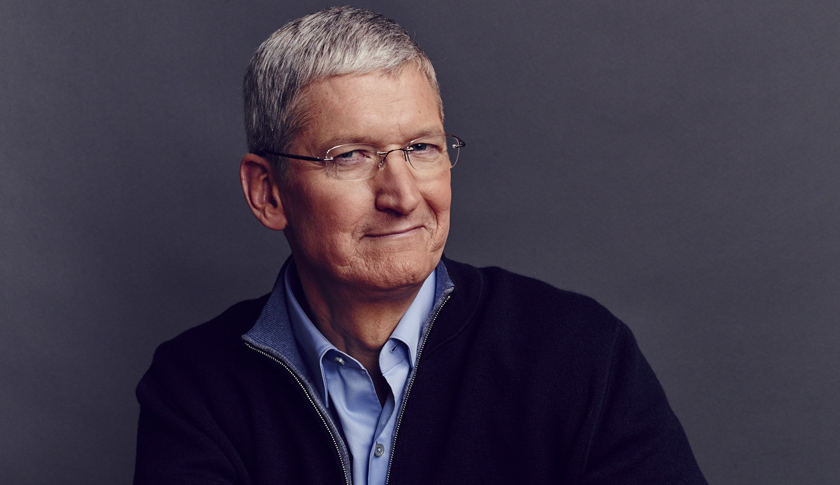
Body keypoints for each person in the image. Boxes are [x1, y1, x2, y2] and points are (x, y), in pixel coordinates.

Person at [134, 6, 707, 484]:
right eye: (351, 156)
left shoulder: (579, 354)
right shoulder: (194, 387)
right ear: (268, 193)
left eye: (422, 148)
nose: (403, 195)